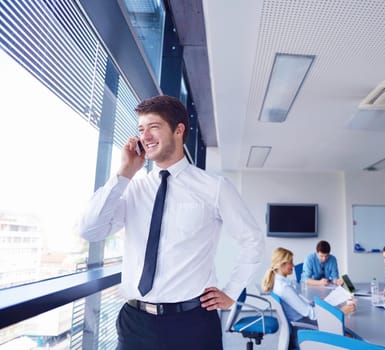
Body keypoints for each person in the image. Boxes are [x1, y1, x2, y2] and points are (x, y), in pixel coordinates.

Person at [76, 95, 264, 350]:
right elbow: (90, 229)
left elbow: (251, 239)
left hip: (192, 324)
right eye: (141, 130)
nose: (145, 136)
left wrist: (231, 292)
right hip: (135, 322)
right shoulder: (133, 187)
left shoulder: (214, 187)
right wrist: (123, 174)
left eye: (154, 127)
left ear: (179, 130)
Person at [262, 247, 355, 349]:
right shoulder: (285, 288)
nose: (293, 265)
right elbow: (313, 315)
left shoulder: (279, 282)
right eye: (290, 262)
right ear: (282, 264)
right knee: (348, 337)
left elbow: (302, 307)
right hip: (302, 329)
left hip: (300, 325)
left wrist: (319, 304)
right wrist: (341, 310)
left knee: (345, 333)